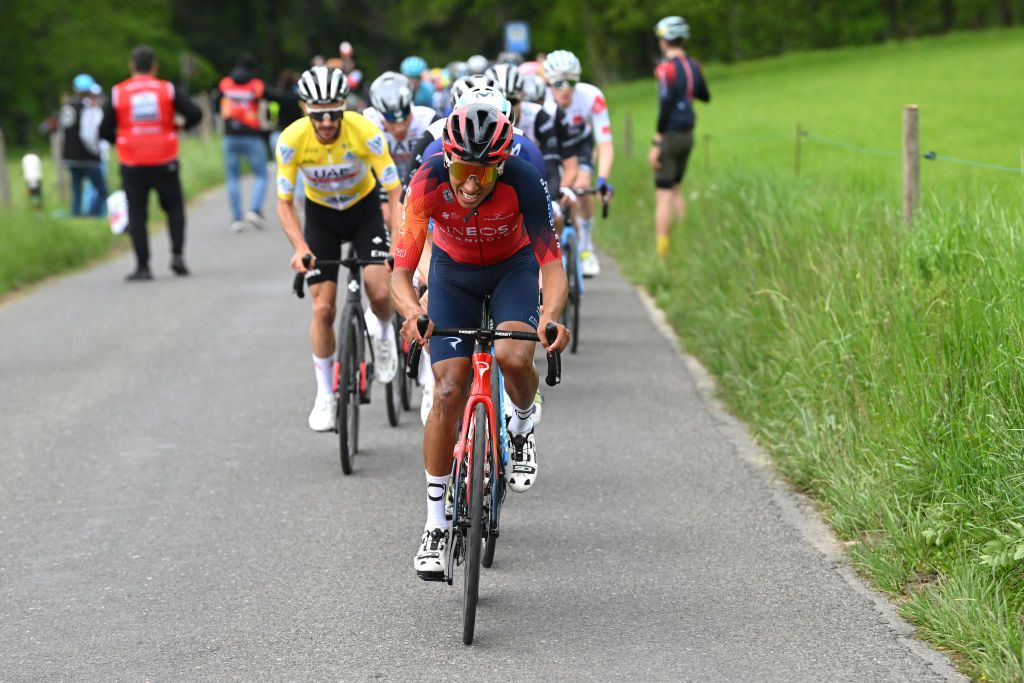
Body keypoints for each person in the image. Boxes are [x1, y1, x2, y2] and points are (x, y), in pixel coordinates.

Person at [391, 103, 570, 578]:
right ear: (448, 160)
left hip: (513, 270)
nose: (472, 185)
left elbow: (551, 264)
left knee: (513, 356)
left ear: (501, 165)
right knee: (448, 389)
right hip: (453, 275)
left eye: (485, 173)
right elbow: (402, 271)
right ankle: (434, 524)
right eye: (465, 171)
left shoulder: (524, 180)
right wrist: (413, 312)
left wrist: (551, 317)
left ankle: (523, 424)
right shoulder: (426, 181)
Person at [275, 66, 402, 432]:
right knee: (323, 308)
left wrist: (397, 240)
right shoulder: (291, 140)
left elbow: (394, 192)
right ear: (305, 109)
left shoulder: (365, 132)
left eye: (334, 113)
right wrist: (300, 247)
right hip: (322, 218)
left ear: (344, 107)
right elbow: (284, 202)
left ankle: (381, 334)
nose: (327, 122)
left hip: (362, 212)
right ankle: (325, 395)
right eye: (319, 115)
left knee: (379, 292)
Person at [100, 45, 202, 281]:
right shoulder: (166, 89)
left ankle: (143, 267)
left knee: (137, 214)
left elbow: (104, 129)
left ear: (131, 66)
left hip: (132, 161)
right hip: (164, 157)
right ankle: (178, 257)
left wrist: (121, 140)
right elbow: (195, 113)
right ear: (154, 67)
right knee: (174, 208)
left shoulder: (118, 92)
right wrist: (180, 127)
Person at [543, 49, 614, 277]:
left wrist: (602, 179)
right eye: (559, 82)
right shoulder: (542, 102)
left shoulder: (592, 96)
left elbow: (605, 144)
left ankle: (586, 249)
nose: (565, 88)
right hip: (553, 147)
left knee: (582, 187)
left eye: (571, 82)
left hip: (580, 144)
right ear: (548, 82)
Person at [651, 16, 710, 259]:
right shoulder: (693, 65)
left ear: (665, 40)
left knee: (663, 194)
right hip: (688, 136)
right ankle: (685, 244)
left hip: (671, 136)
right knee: (675, 189)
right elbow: (704, 95)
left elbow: (665, 106)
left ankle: (662, 253)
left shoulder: (666, 69)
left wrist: (657, 141)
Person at [217, 55, 270, 232]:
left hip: (230, 135)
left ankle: (236, 218)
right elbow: (273, 97)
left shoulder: (226, 84)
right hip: (251, 135)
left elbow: (217, 105)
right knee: (261, 175)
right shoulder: (255, 84)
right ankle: (254, 210)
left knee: (232, 177)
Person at [61, 74, 108, 217]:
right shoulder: (88, 108)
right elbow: (88, 134)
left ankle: (76, 215)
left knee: (77, 191)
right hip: (87, 157)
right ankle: (92, 216)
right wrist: (96, 152)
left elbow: (64, 131)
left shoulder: (67, 106)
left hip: (70, 157)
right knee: (101, 189)